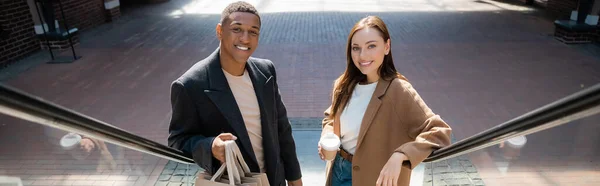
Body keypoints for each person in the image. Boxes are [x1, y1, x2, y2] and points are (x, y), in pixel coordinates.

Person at [167, 1, 303, 186]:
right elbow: (178, 140)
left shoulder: (266, 71)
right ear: (220, 31)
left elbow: (282, 129)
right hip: (234, 182)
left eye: (253, 32)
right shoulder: (190, 85)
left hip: (273, 180)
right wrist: (210, 146)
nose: (245, 38)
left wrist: (295, 178)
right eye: (237, 29)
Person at [318, 16, 452, 186]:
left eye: (371, 46)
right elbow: (331, 116)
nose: (362, 55)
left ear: (387, 46)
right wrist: (328, 135)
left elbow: (440, 131)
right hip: (337, 172)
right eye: (356, 48)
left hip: (373, 178)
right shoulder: (343, 84)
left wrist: (401, 155)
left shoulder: (398, 90)